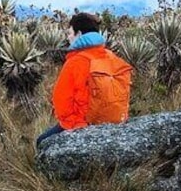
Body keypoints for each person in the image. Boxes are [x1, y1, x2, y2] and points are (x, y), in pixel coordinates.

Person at [36, 12, 123, 146]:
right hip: (114, 120)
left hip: (81, 124)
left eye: (70, 33)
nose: (68, 37)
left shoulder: (75, 62)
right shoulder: (111, 57)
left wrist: (75, 126)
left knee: (41, 142)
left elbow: (62, 101)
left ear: (79, 34)